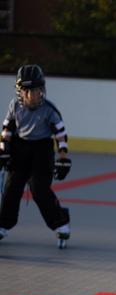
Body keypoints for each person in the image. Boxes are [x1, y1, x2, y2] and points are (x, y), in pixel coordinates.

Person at [0, 64, 72, 248]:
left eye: (38, 90)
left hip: (42, 150)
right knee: (11, 188)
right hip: (20, 149)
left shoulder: (49, 109)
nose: (34, 95)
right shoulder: (15, 106)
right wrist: (3, 149)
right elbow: (7, 129)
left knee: (39, 189)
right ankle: (4, 224)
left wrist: (63, 157)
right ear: (20, 92)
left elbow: (61, 134)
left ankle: (60, 223)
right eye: (29, 91)